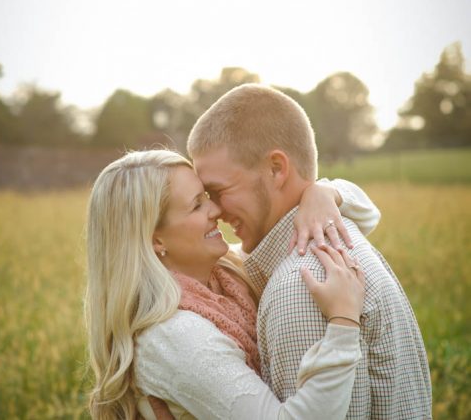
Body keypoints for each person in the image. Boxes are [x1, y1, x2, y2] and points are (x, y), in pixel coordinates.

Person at [187, 84, 433, 419]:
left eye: (217, 191)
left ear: (276, 168)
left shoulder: (301, 286)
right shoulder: (337, 240)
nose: (213, 210)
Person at [85, 149, 380, 419]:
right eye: (196, 205)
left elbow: (366, 214)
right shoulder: (174, 336)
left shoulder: (230, 274)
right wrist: (343, 323)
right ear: (155, 239)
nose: (216, 210)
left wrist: (322, 194)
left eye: (208, 196)